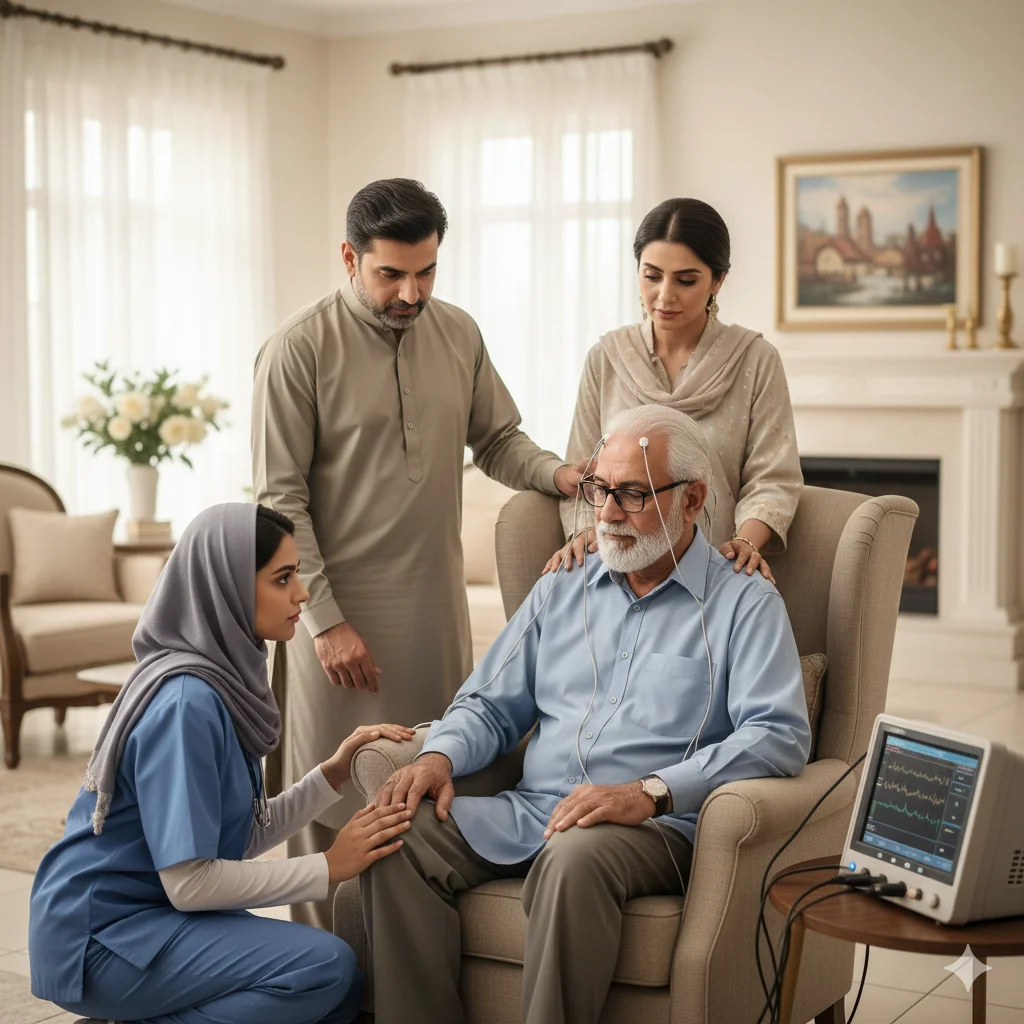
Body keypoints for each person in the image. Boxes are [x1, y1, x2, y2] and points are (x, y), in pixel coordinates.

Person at [362, 406, 812, 1024]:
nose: (608, 513)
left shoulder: (745, 602)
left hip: (652, 830)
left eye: (633, 494)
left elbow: (777, 735)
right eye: (601, 489)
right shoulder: (562, 584)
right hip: (534, 811)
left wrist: (648, 792)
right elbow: (489, 702)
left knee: (573, 857)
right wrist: (439, 755)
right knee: (391, 834)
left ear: (692, 500)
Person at [252, 177, 584, 932]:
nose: (411, 292)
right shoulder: (296, 350)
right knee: (333, 803)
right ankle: (324, 975)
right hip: (336, 626)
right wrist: (326, 622)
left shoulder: (459, 333)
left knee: (430, 794)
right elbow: (279, 502)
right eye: (391, 274)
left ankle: (409, 976)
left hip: (434, 617)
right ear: (349, 258)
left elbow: (498, 440)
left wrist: (558, 474)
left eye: (426, 272)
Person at [28, 503, 416, 1024]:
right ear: (228, 586)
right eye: (283, 578)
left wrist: (333, 773)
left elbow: (234, 836)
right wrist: (329, 865)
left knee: (341, 996)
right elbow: (189, 883)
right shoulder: (186, 704)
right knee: (325, 969)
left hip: (153, 916)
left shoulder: (220, 682)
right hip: (102, 938)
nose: (302, 593)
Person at [546, 197, 802, 585]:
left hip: (716, 570)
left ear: (717, 281)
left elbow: (773, 478)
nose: (665, 296)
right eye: (652, 276)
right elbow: (583, 473)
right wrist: (585, 533)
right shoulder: (607, 358)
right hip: (618, 570)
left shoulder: (755, 359)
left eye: (685, 281)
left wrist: (744, 543)